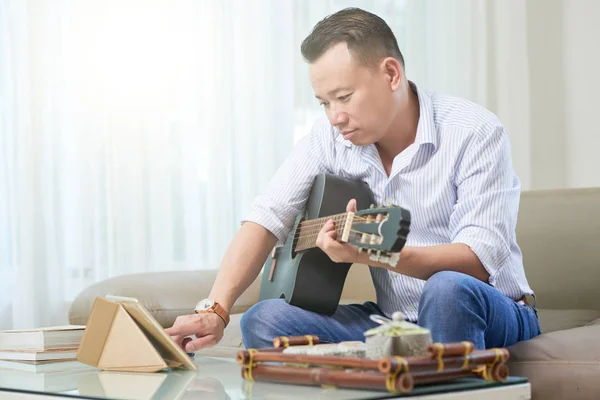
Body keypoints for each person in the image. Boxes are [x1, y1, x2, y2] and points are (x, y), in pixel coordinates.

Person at [165, 7, 541, 352]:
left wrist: (382, 255)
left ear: (391, 74)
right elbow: (268, 217)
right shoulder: (329, 139)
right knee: (264, 320)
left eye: (343, 97)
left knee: (447, 289)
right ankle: (397, 367)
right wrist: (215, 309)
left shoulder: (474, 131)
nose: (334, 117)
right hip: (396, 322)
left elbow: (476, 262)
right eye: (324, 103)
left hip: (490, 308)